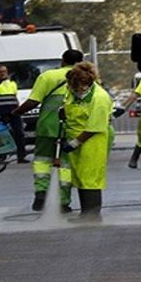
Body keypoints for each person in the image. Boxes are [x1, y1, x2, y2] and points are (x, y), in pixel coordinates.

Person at [13, 48, 82, 211]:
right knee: (66, 164)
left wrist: (15, 113)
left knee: (43, 160)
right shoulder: (84, 78)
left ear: (63, 60)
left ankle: (41, 193)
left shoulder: (47, 76)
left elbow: (33, 102)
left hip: (47, 126)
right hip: (72, 128)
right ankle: (63, 201)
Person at [60, 62, 113, 219]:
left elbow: (94, 127)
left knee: (90, 176)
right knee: (80, 176)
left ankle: (91, 213)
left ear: (87, 83)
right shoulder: (72, 92)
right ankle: (85, 212)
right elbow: (68, 105)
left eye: (77, 86)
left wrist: (75, 142)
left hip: (92, 140)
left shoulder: (100, 98)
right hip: (75, 138)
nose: (74, 89)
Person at [0, 64, 27, 162]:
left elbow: (15, 97)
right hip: (0, 112)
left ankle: (21, 156)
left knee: (19, 133)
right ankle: (2, 155)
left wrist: (19, 109)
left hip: (13, 111)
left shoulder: (12, 83)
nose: (3, 74)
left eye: (4, 72)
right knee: (0, 134)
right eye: (0, 72)